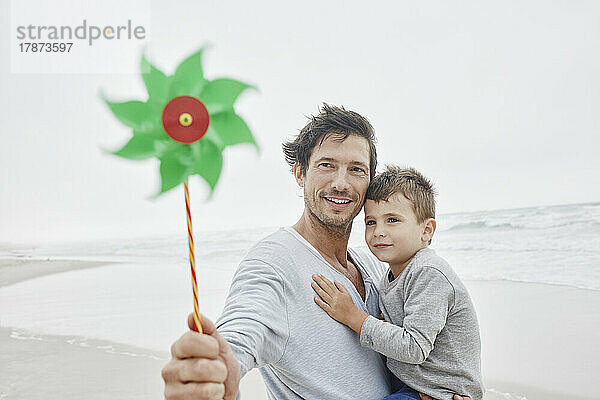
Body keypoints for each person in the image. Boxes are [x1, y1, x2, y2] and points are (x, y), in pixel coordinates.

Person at [161, 104, 472, 400]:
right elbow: (243, 325)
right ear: (300, 173)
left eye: (356, 170)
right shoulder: (273, 262)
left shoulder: (377, 265)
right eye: (326, 165)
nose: (341, 183)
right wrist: (217, 370)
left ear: (369, 183)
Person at [312, 166, 484, 400]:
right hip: (409, 381)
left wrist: (353, 315)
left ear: (426, 230)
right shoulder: (389, 277)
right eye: (371, 222)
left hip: (439, 392)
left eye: (392, 220)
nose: (378, 231)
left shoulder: (428, 273)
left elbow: (414, 348)